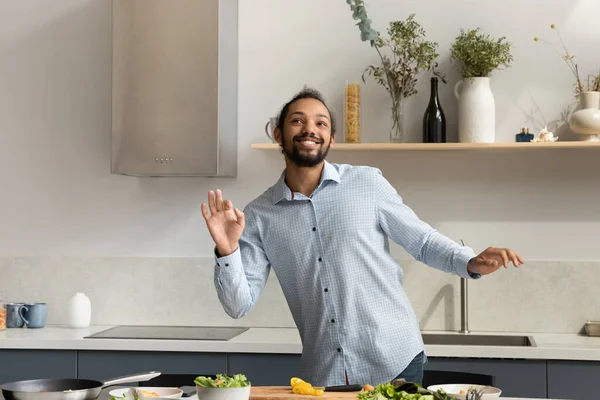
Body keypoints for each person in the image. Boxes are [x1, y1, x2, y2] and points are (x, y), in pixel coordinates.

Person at [201, 87, 523, 388]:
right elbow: (238, 306)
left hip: (394, 362)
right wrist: (227, 250)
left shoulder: (367, 183)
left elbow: (421, 241)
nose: (309, 129)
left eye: (321, 123)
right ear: (278, 135)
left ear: (331, 139)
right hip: (325, 375)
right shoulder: (258, 216)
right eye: (297, 120)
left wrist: (470, 261)